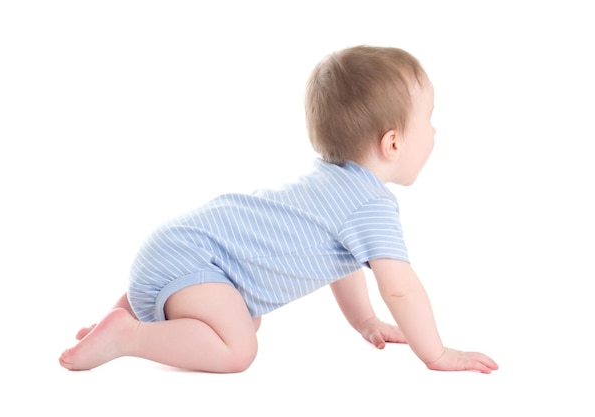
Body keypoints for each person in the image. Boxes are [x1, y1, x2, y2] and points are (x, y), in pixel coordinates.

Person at [59, 45, 498, 374]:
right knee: (238, 347)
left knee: (246, 321)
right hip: (191, 263)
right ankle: (128, 335)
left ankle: (122, 315)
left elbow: (340, 264)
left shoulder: (333, 186)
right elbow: (401, 288)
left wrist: (365, 320)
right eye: (429, 118)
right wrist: (437, 353)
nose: (435, 129)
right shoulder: (370, 206)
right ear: (393, 143)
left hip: (173, 253)